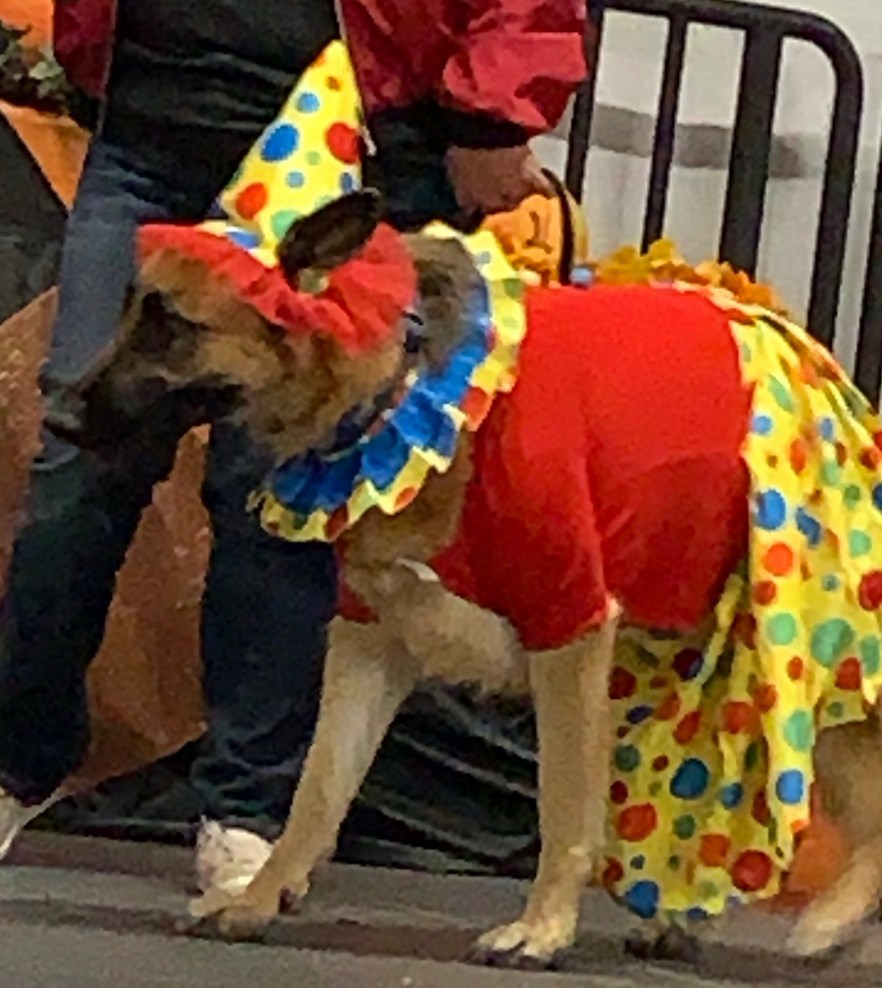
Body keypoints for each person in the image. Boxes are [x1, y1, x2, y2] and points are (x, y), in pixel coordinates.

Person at [0, 0, 586, 889]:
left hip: (341, 147)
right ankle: (17, 760)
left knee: (277, 493)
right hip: (153, 137)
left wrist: (494, 110)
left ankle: (246, 807)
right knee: (80, 459)